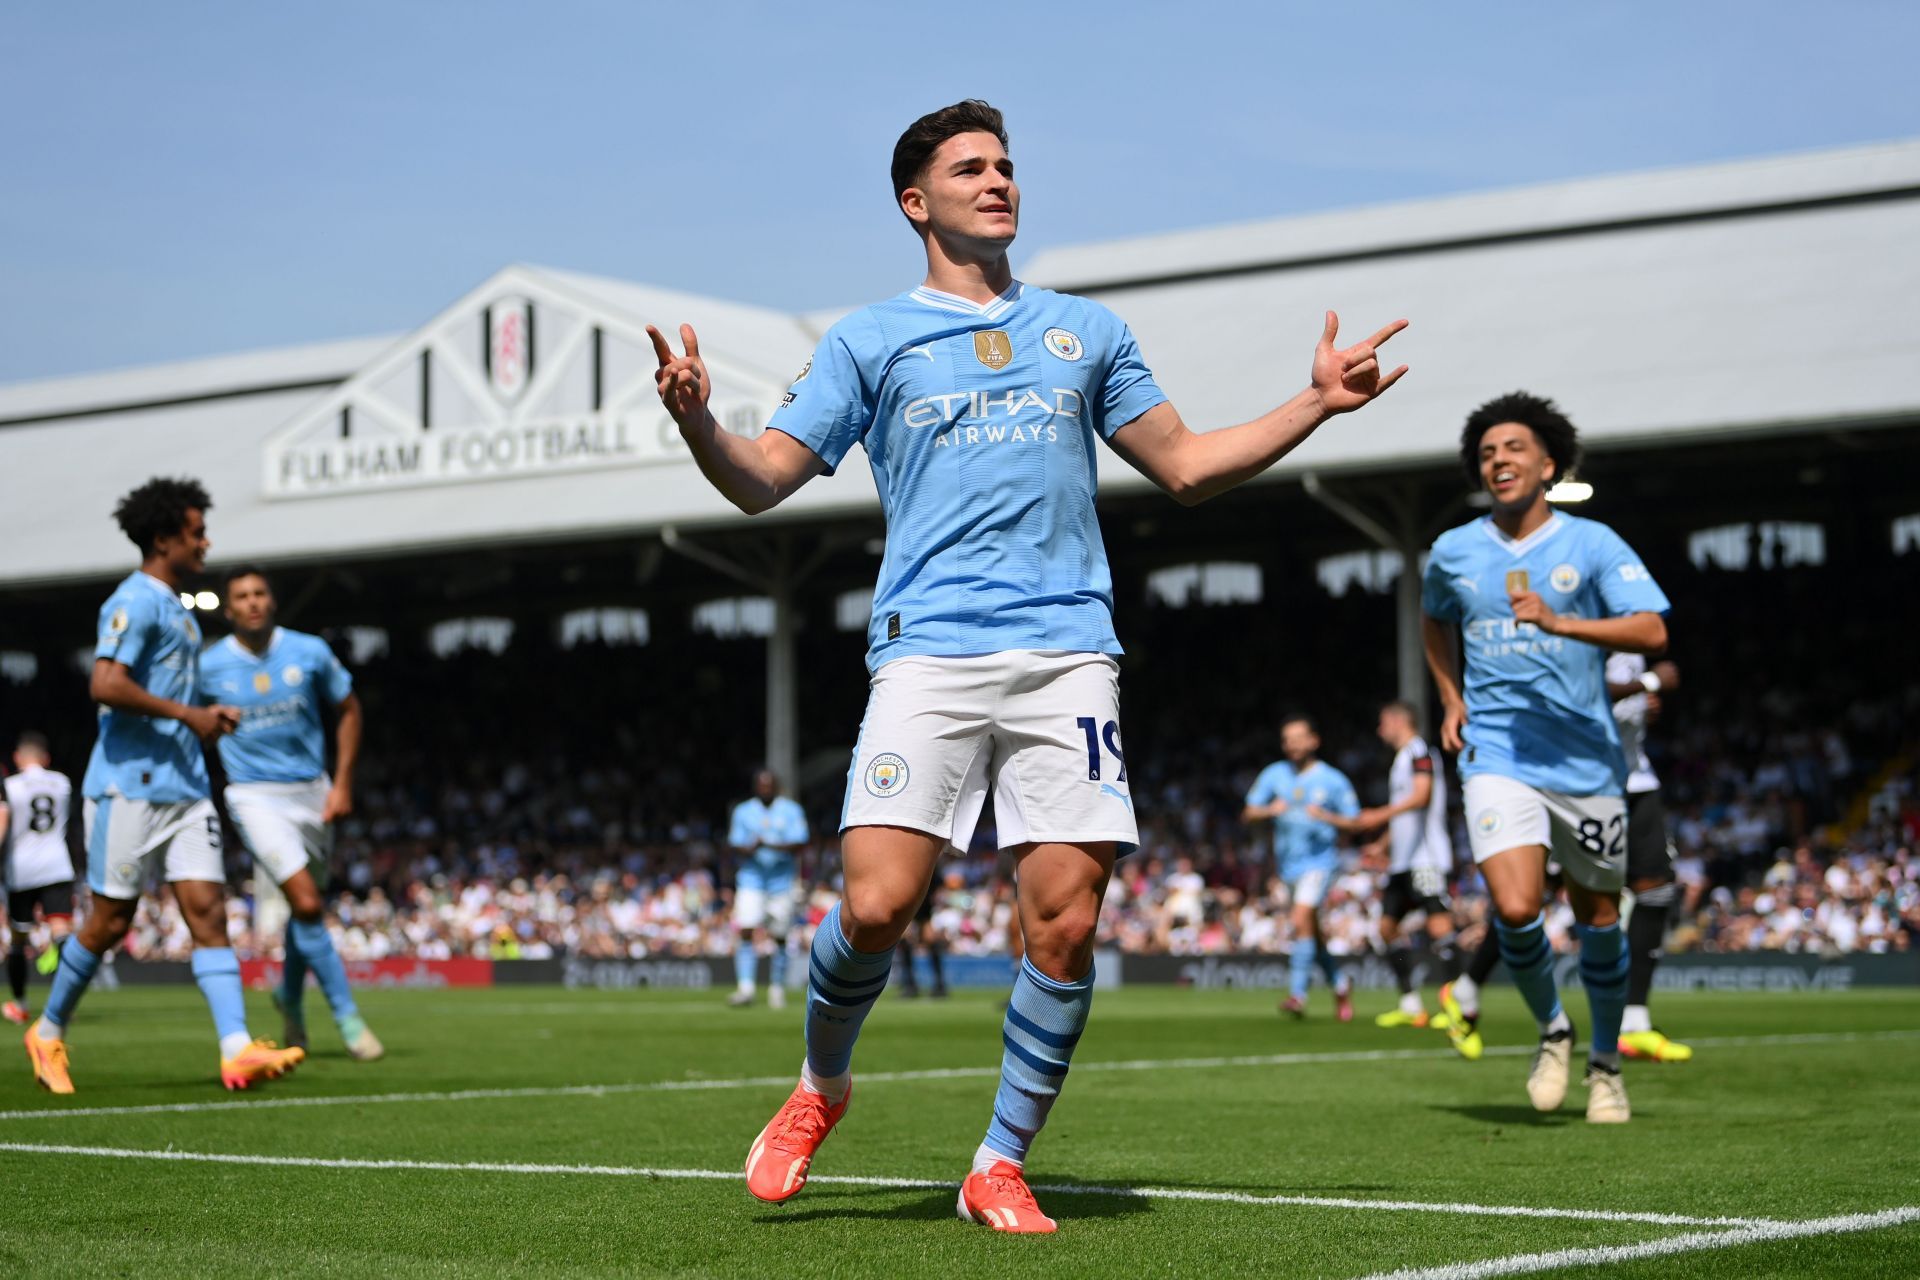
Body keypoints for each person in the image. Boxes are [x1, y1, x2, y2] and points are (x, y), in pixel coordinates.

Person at [647, 99, 1407, 1231]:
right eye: (970, 168)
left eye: (1006, 165)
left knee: (1062, 920)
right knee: (876, 903)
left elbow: (1189, 466)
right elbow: (762, 477)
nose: (998, 180)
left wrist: (1316, 402)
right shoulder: (868, 337)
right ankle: (820, 1086)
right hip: (929, 653)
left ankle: (999, 1159)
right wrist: (700, 422)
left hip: (1068, 656)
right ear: (918, 201)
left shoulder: (1086, 331)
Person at [1422, 392, 1671, 1125]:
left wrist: (1563, 622)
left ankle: (1605, 1061)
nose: (1498, 460)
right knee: (1515, 906)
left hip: (1587, 762)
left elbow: (1653, 630)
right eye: (1488, 452)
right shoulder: (1454, 551)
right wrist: (1450, 696)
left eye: (1514, 449)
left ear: (1549, 464)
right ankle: (1553, 1032)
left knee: (1598, 916)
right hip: (1497, 752)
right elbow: (1436, 621)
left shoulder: (1592, 544)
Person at [25, 478, 304, 1094]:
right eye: (195, 531)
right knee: (109, 921)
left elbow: (164, 692)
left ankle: (235, 1049)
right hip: (129, 785)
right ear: (162, 538)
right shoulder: (136, 600)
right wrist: (191, 717)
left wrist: (205, 713)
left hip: (184, 785)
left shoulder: (179, 605)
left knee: (208, 912)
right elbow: (105, 683)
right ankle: (47, 1031)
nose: (205, 541)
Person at [198, 566, 381, 1060]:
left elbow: (349, 710)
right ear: (229, 608)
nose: (252, 601)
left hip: (312, 792)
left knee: (308, 909)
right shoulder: (209, 667)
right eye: (242, 596)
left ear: (272, 601)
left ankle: (291, 1000)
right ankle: (349, 1020)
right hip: (253, 796)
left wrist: (342, 783)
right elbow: (190, 725)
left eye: (260, 592)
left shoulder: (309, 651)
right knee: (304, 902)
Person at [1244, 714, 1362, 1021]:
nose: (1292, 744)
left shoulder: (1333, 780)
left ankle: (1298, 994)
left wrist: (1327, 817)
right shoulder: (1275, 774)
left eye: (1299, 737)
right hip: (1288, 866)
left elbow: (1355, 821)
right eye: (1287, 738)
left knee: (1299, 919)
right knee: (1311, 929)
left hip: (1320, 864)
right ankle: (1339, 984)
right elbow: (1248, 812)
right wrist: (1270, 810)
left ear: (1314, 740)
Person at [1606, 652, 1690, 1062]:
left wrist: (1646, 709)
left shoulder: (1633, 651)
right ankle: (1467, 988)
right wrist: (1649, 685)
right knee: (1526, 899)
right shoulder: (1575, 627)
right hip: (1585, 784)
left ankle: (1634, 1021)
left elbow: (1628, 707)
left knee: (1656, 890)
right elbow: (1581, 694)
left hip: (1637, 779)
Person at [1355, 701, 1461, 1029]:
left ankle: (1456, 1004)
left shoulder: (1419, 752)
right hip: (1403, 862)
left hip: (1426, 858)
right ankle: (1410, 1003)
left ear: (1399, 720)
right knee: (1386, 930)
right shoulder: (1402, 759)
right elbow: (1409, 815)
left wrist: (1378, 814)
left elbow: (1422, 797)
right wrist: (1383, 843)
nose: (1379, 729)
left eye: (1383, 722)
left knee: (1439, 928)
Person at [1, 734, 79, 1026]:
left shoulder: (10, 786)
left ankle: (20, 1005)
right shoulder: (62, 783)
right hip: (57, 865)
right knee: (62, 935)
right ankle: (64, 1007)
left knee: (19, 940)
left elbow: (2, 823)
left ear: (19, 758)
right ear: (46, 759)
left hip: (21, 870)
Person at [725, 769, 808, 1009]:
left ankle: (777, 987)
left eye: (768, 786)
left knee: (780, 935)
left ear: (776, 787)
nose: (765, 790)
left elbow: (800, 842)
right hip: (752, 879)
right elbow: (734, 844)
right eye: (761, 786)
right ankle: (746, 987)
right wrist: (749, 849)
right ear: (755, 788)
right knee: (746, 929)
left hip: (781, 881)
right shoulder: (743, 811)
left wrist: (767, 844)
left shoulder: (791, 810)